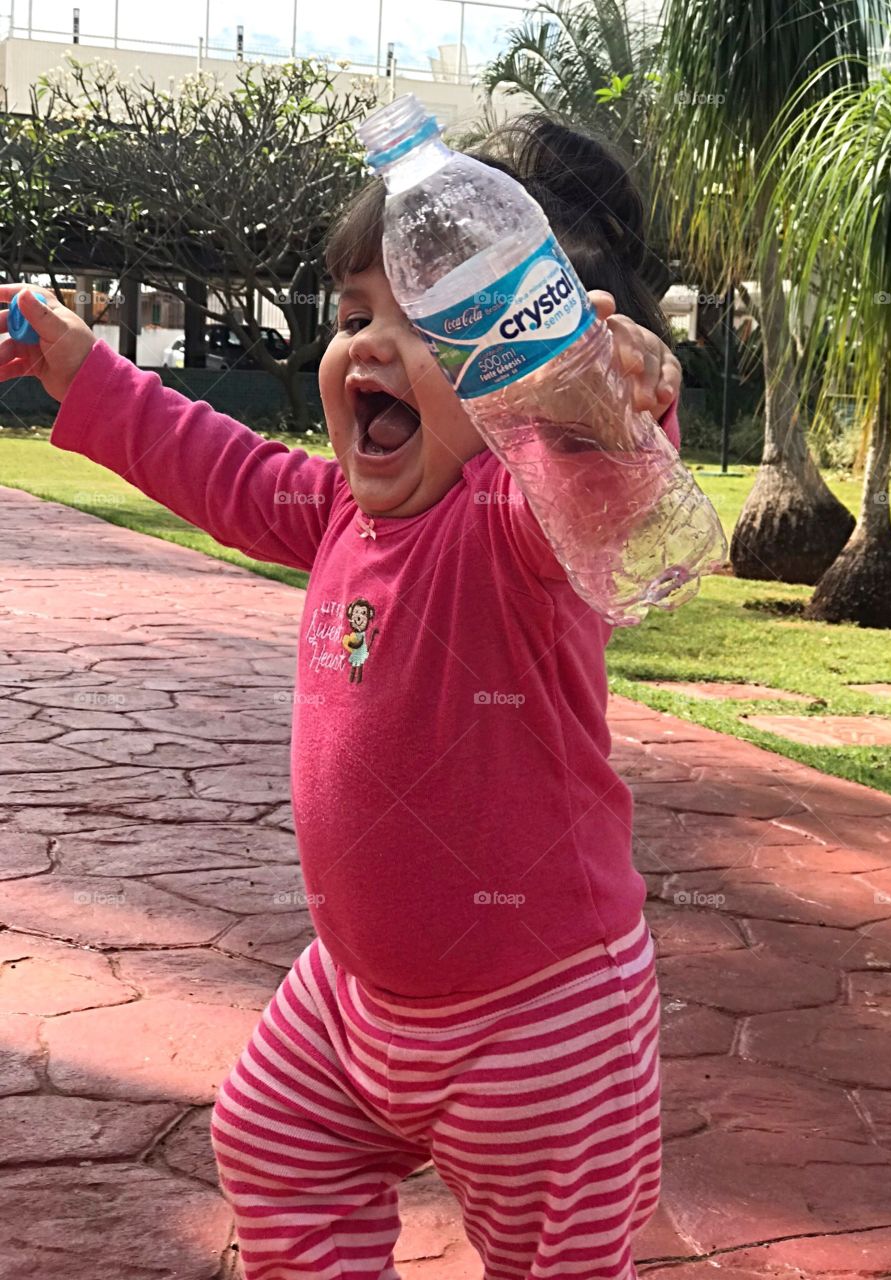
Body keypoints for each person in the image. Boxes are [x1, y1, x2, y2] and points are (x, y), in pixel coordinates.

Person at [0, 114, 681, 1280]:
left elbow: (610, 495)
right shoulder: (337, 514)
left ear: (517, 374)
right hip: (359, 998)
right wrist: (81, 367)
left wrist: (609, 406)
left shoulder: (518, 527)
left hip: (542, 1022)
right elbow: (215, 462)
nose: (369, 344)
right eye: (358, 312)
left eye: (423, 321)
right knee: (271, 1139)